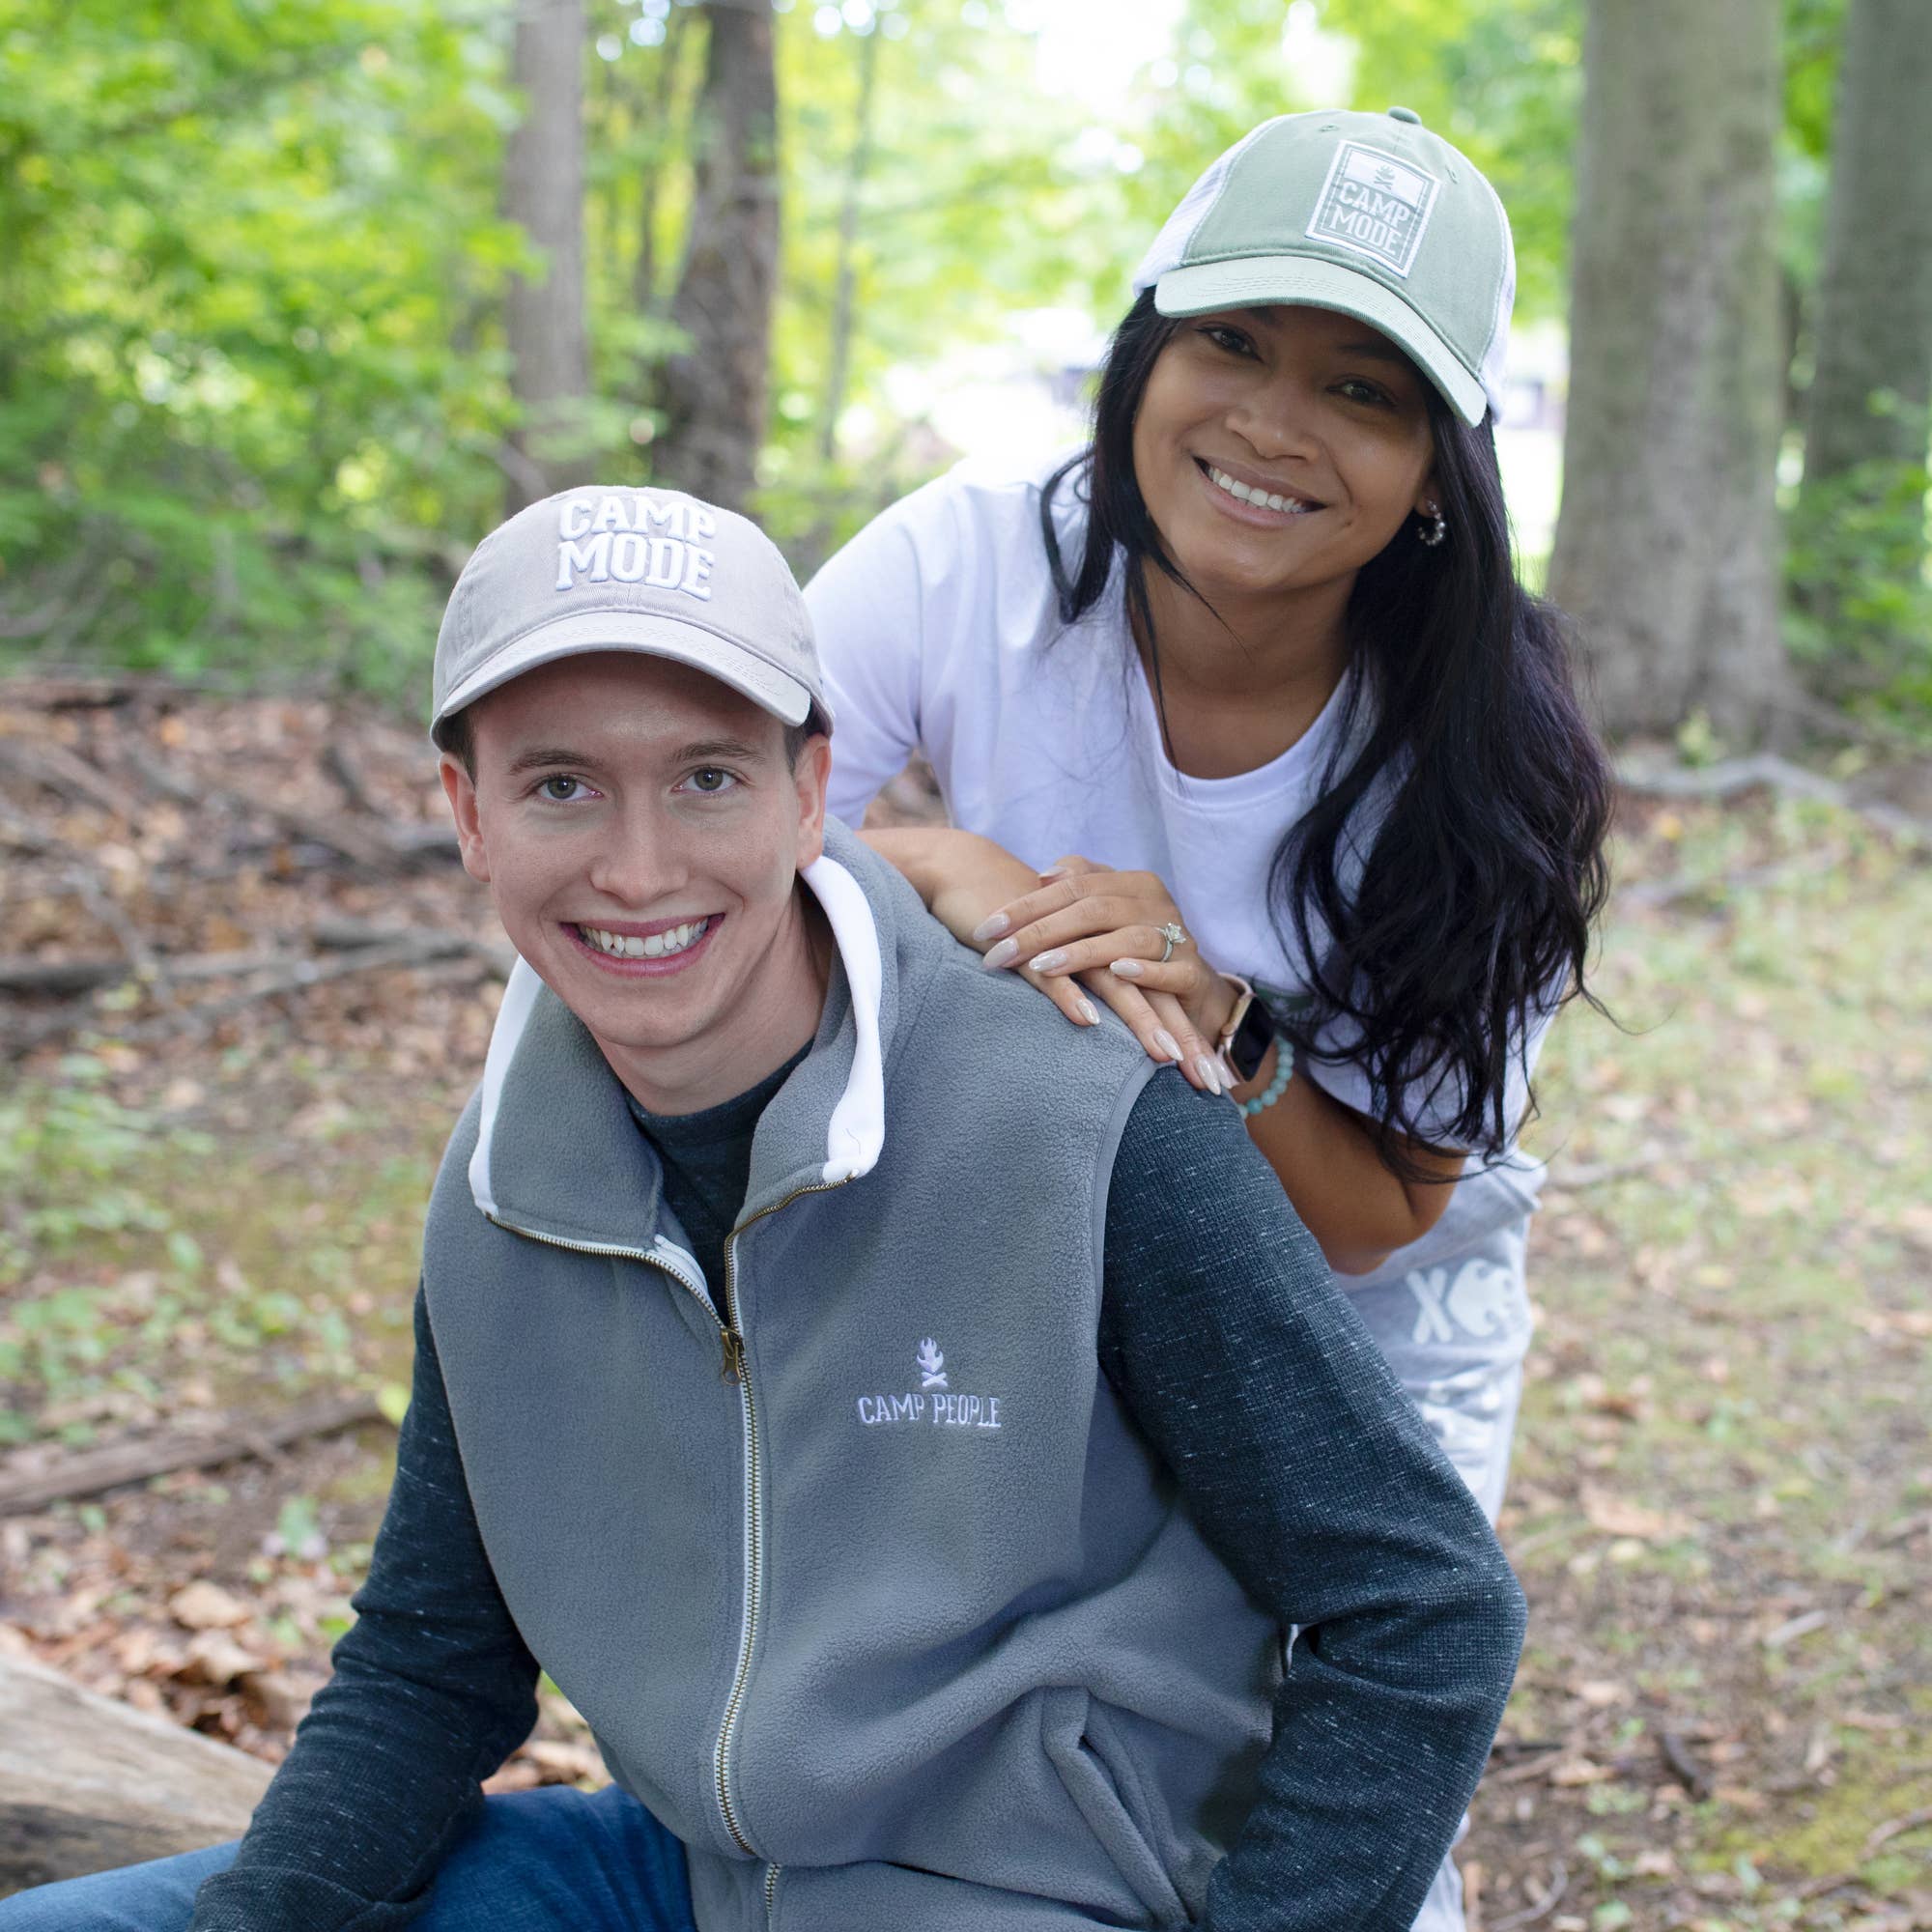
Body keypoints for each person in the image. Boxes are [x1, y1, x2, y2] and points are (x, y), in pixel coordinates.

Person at [0, 483, 1524, 1932]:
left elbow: (1423, 1602)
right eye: (560, 786)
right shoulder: (505, 1181)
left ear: (811, 790)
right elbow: (428, 1665)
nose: (639, 865)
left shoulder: (1085, 1125)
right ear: (468, 815)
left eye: (708, 777)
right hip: (684, 1883)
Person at [805, 105, 1612, 1523]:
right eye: (1231, 342)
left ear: (1438, 469)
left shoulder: (1494, 761)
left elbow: (1381, 1220)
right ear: (1144, 355)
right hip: (1034, 1260)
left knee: (1316, 1725)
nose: (1271, 426)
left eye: (1361, 391)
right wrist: (939, 859)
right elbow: (712, 848)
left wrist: (1222, 1023)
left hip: (1360, 1336)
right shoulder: (968, 563)